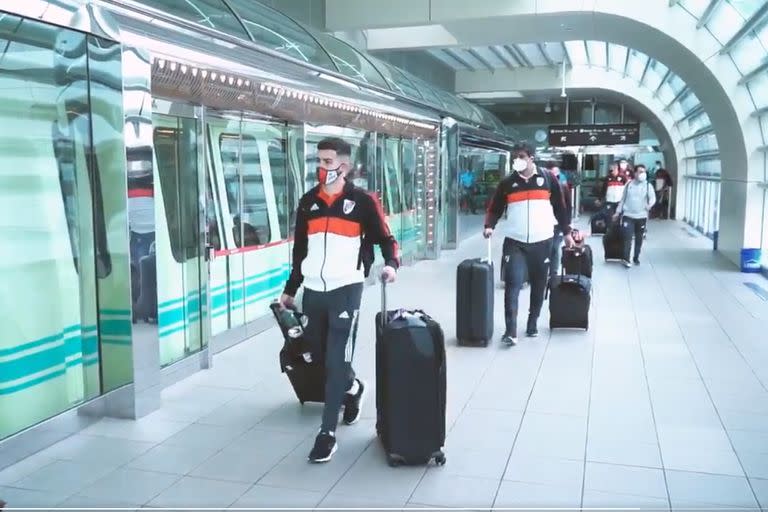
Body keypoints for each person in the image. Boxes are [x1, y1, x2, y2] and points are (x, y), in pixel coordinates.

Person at [279, 137, 399, 463]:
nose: (321, 167)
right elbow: (300, 252)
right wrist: (291, 289)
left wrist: (391, 264)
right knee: (317, 355)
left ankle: (327, 434)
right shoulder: (308, 203)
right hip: (314, 292)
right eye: (318, 161)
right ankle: (354, 387)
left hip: (347, 289)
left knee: (335, 360)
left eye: (327, 162)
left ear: (343, 166)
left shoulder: (362, 202)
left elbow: (386, 239)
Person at [484, 142, 573, 346]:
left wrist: (567, 232)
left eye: (521, 156)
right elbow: (495, 206)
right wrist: (490, 225)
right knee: (512, 284)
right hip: (515, 242)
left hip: (543, 240)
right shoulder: (507, 182)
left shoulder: (548, 179)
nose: (518, 160)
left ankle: (532, 323)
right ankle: (511, 331)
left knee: (539, 284)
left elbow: (561, 208)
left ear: (531, 158)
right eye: (515, 157)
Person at [613, 164, 656, 267]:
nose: (643, 174)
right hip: (628, 215)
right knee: (627, 237)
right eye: (640, 171)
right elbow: (623, 200)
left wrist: (650, 205)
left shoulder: (647, 185)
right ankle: (626, 259)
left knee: (639, 238)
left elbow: (653, 198)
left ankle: (636, 257)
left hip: (641, 217)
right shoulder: (629, 185)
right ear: (635, 173)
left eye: (644, 172)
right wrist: (617, 212)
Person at [547, 163, 573, 279]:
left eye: (556, 173)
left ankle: (553, 272)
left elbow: (568, 206)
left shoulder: (563, 186)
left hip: (558, 222)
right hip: (544, 222)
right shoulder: (542, 186)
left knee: (554, 247)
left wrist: (567, 224)